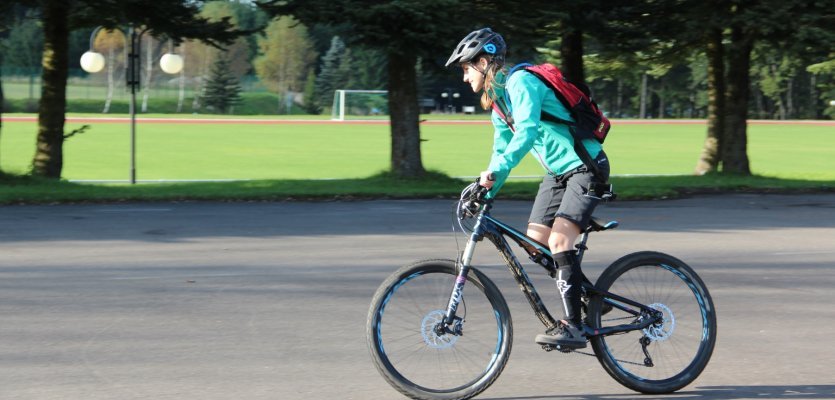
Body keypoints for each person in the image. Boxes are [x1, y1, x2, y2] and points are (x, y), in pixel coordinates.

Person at [446, 28, 611, 349]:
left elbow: (526, 134)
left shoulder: (522, 83)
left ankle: (574, 326)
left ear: (483, 62)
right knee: (535, 243)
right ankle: (589, 298)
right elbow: (500, 152)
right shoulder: (498, 104)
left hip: (585, 168)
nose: (465, 78)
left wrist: (492, 173)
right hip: (557, 174)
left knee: (560, 240)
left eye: (466, 69)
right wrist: (485, 195)